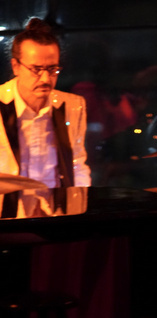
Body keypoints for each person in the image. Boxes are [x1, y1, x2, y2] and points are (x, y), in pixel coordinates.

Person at [0, 17, 91, 189]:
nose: (45, 79)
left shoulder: (72, 105)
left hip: (57, 208)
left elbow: (77, 164)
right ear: (16, 66)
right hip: (7, 210)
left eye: (52, 69)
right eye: (36, 69)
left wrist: (78, 205)